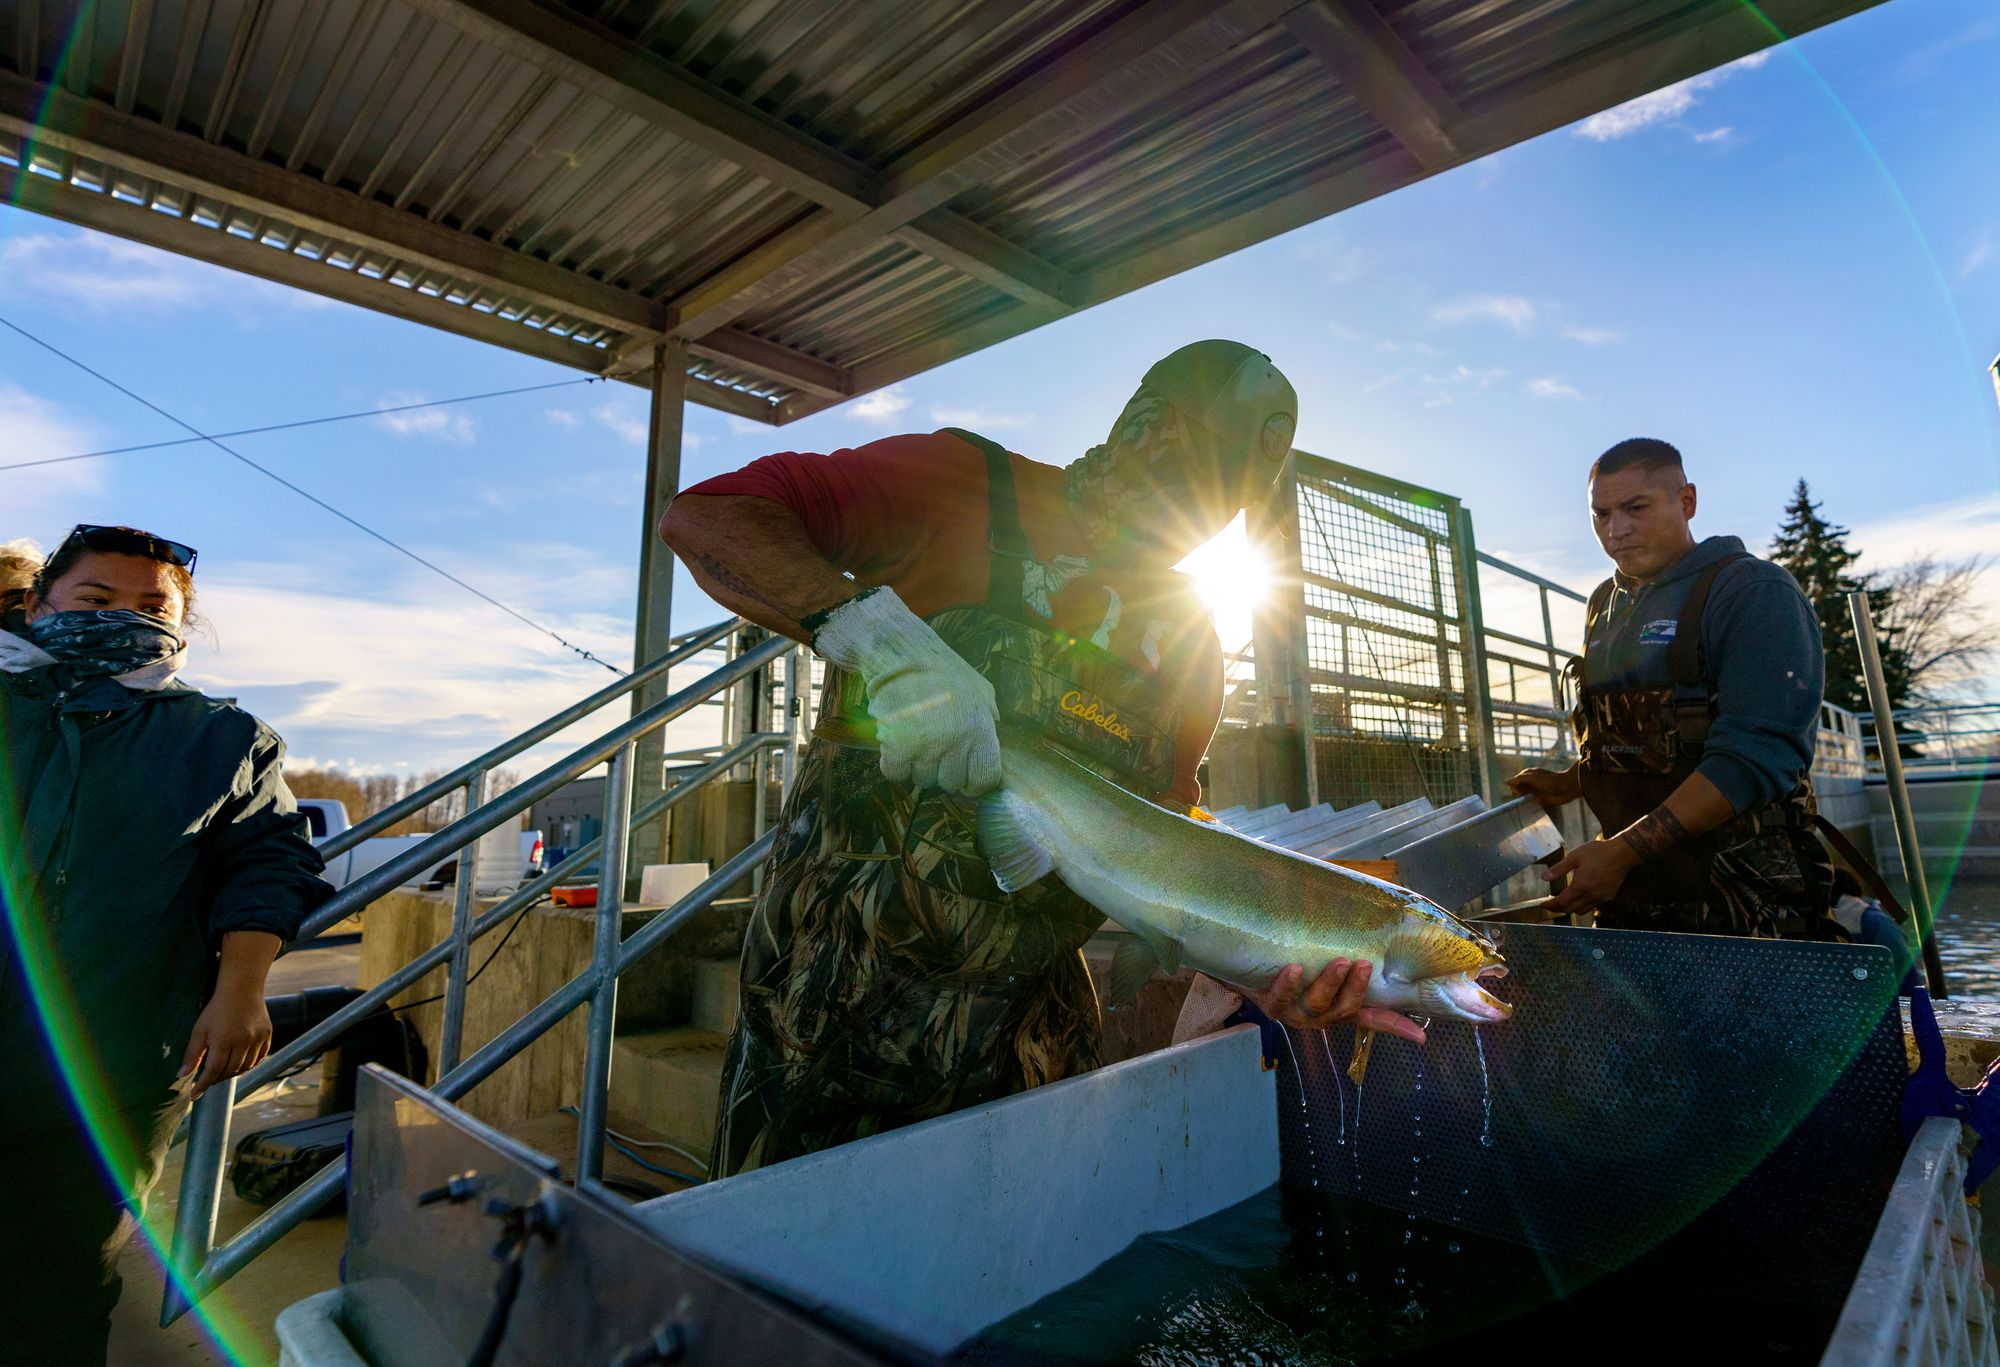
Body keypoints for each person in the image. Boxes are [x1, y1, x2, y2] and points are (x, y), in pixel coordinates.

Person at [662, 341, 1424, 1176]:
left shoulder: (1193, 639)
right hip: (831, 1029)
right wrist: (878, 639)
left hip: (1034, 1052)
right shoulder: (964, 486)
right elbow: (710, 514)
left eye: (1229, 501)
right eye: (1197, 473)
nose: (1204, 517)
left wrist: (1269, 960)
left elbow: (1161, 849)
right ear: (1142, 425)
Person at [0, 524, 332, 1366]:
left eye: (154, 606)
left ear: (183, 627)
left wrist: (241, 987)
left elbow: (269, 861)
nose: (127, 618)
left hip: (114, 1060)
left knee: (60, 1285)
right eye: (96, 599)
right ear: (39, 606)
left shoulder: (221, 738)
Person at [1507, 439, 1838, 937]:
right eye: (1601, 515)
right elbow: (1652, 740)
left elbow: (1753, 760)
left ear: (1686, 502)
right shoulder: (1606, 602)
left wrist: (1619, 852)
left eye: (1636, 508)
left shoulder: (1753, 592)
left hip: (1747, 904)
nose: (1616, 531)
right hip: (1630, 898)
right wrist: (1571, 781)